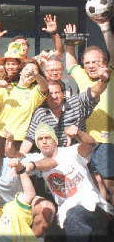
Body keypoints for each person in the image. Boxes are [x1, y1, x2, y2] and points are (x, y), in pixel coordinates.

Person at [25, 123, 114, 241]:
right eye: (40, 139)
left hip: (93, 207)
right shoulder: (36, 158)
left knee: (74, 216)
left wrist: (78, 133)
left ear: (55, 140)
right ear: (37, 144)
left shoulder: (72, 151)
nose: (44, 141)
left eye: (48, 138)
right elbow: (18, 157)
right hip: (66, 217)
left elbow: (90, 143)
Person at [65, 38, 114, 204]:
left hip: (108, 142)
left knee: (110, 187)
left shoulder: (111, 73)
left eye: (95, 62)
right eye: (87, 62)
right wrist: (70, 42)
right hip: (88, 142)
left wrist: (104, 26)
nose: (91, 66)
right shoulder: (83, 77)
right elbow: (70, 62)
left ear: (106, 62)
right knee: (96, 186)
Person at [20, 75, 107, 154]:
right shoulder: (41, 112)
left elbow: (94, 93)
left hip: (77, 153)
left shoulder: (76, 102)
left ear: (63, 93)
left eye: (57, 92)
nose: (53, 96)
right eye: (49, 94)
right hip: (52, 156)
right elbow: (29, 139)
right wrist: (20, 159)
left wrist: (104, 79)